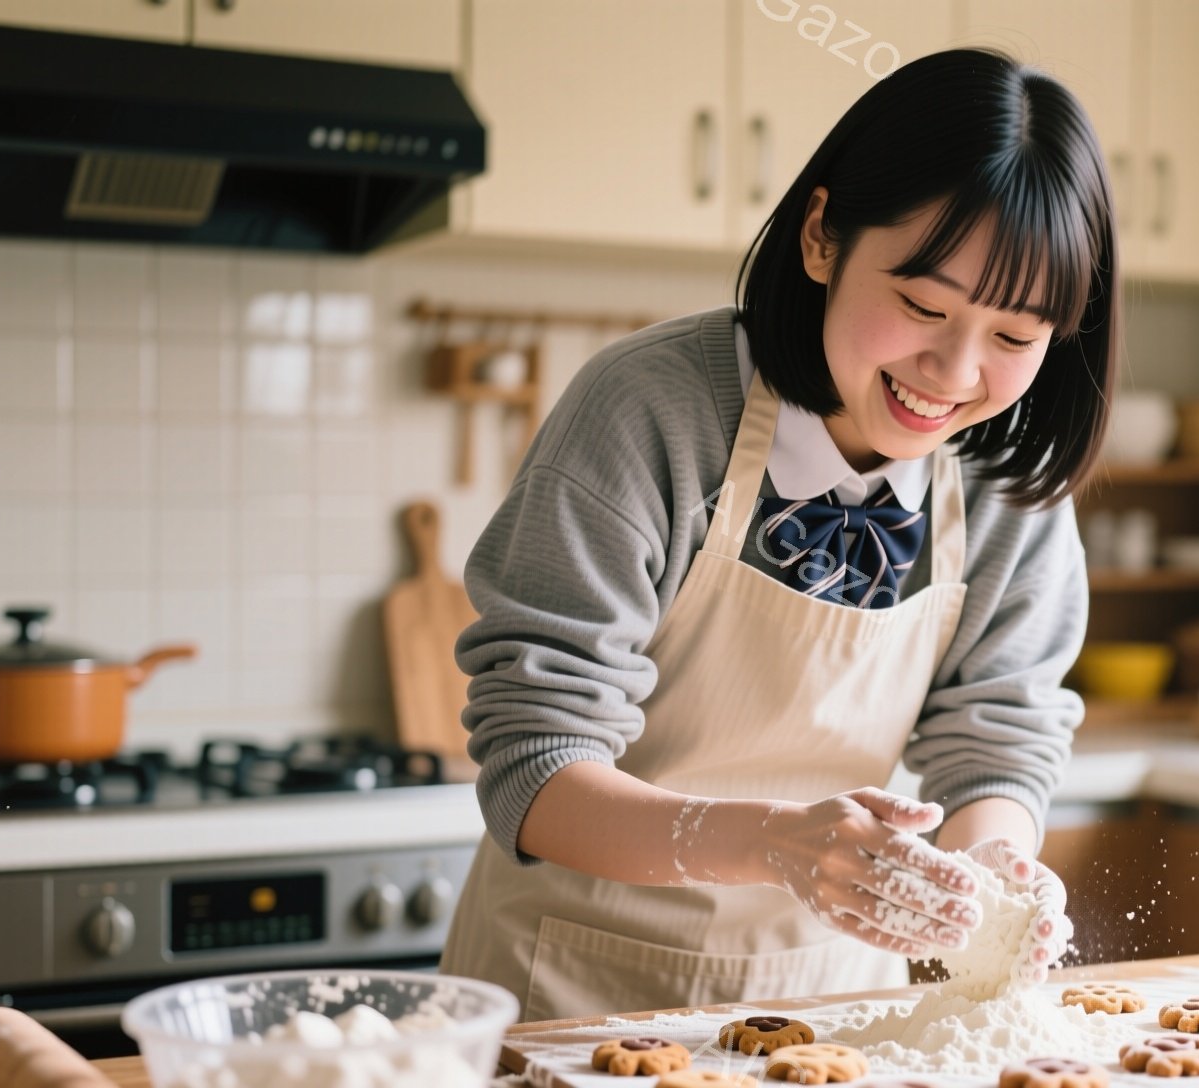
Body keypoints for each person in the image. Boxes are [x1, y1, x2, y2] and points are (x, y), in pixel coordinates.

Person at [439, 46, 1119, 1022]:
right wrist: (771, 843)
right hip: (568, 994)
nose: (955, 372)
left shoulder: (1005, 480)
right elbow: (534, 763)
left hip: (830, 1007)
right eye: (923, 305)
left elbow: (997, 738)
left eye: (1015, 336)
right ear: (821, 237)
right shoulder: (652, 411)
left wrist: (996, 869)